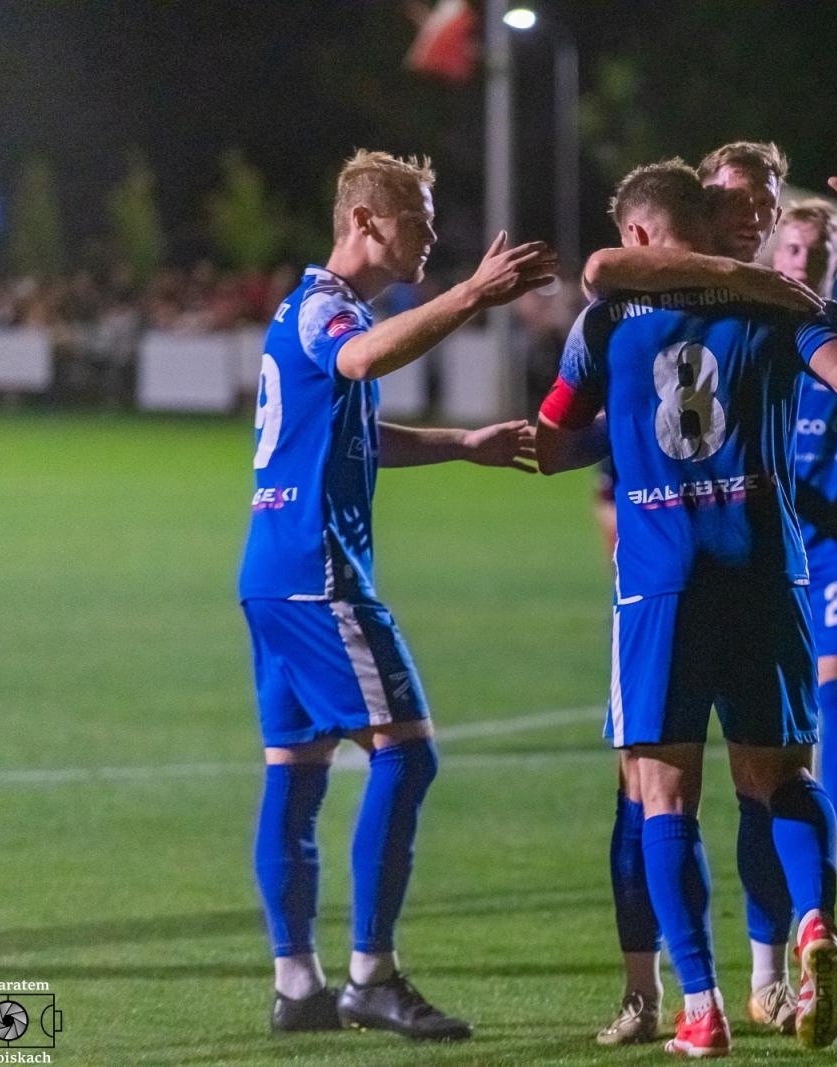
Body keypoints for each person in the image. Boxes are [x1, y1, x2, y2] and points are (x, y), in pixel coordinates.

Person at [537, 159, 837, 1058]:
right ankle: (812, 925)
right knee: (780, 778)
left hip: (660, 582)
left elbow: (549, 439)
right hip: (768, 573)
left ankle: (702, 1004)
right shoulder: (776, 303)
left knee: (663, 796)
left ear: (642, 232)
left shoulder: (606, 318)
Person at [238, 149, 557, 1040]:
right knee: (406, 754)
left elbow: (353, 426)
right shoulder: (330, 311)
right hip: (318, 572)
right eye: (418, 215)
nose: (433, 231)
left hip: (271, 575)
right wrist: (470, 295)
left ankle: (297, 983)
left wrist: (461, 443)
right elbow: (361, 362)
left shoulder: (306, 310)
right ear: (367, 223)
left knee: (296, 775)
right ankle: (371, 974)